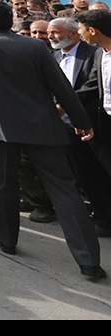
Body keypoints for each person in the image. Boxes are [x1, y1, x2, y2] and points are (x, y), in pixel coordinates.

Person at [0, 0, 101, 280]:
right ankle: (89, 262)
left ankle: (7, 241)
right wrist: (82, 122)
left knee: (2, 185)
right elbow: (62, 88)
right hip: (42, 128)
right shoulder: (34, 47)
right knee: (65, 191)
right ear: (11, 20)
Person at [50, 16, 111, 234]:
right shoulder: (102, 55)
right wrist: (66, 110)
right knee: (91, 175)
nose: (81, 34)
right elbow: (92, 87)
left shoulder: (93, 52)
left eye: (82, 29)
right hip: (96, 125)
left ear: (91, 31)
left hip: (99, 126)